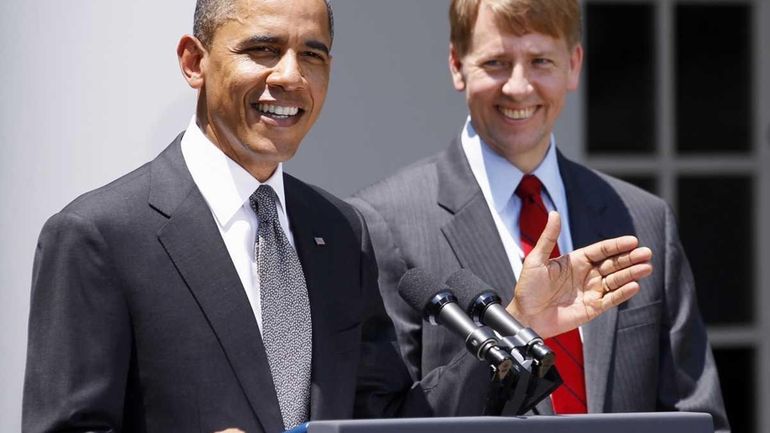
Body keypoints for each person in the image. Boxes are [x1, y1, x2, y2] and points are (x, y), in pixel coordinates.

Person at [23, 0, 652, 432]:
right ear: (194, 61)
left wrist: (520, 322)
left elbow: (391, 421)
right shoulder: (99, 236)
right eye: (262, 50)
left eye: (313, 55)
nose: (290, 77)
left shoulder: (339, 231)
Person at [349, 0, 729, 431]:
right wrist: (517, 326)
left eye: (540, 61)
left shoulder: (643, 219)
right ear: (457, 64)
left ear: (574, 64)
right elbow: (384, 423)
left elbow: (699, 418)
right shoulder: (382, 223)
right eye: (496, 62)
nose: (519, 87)